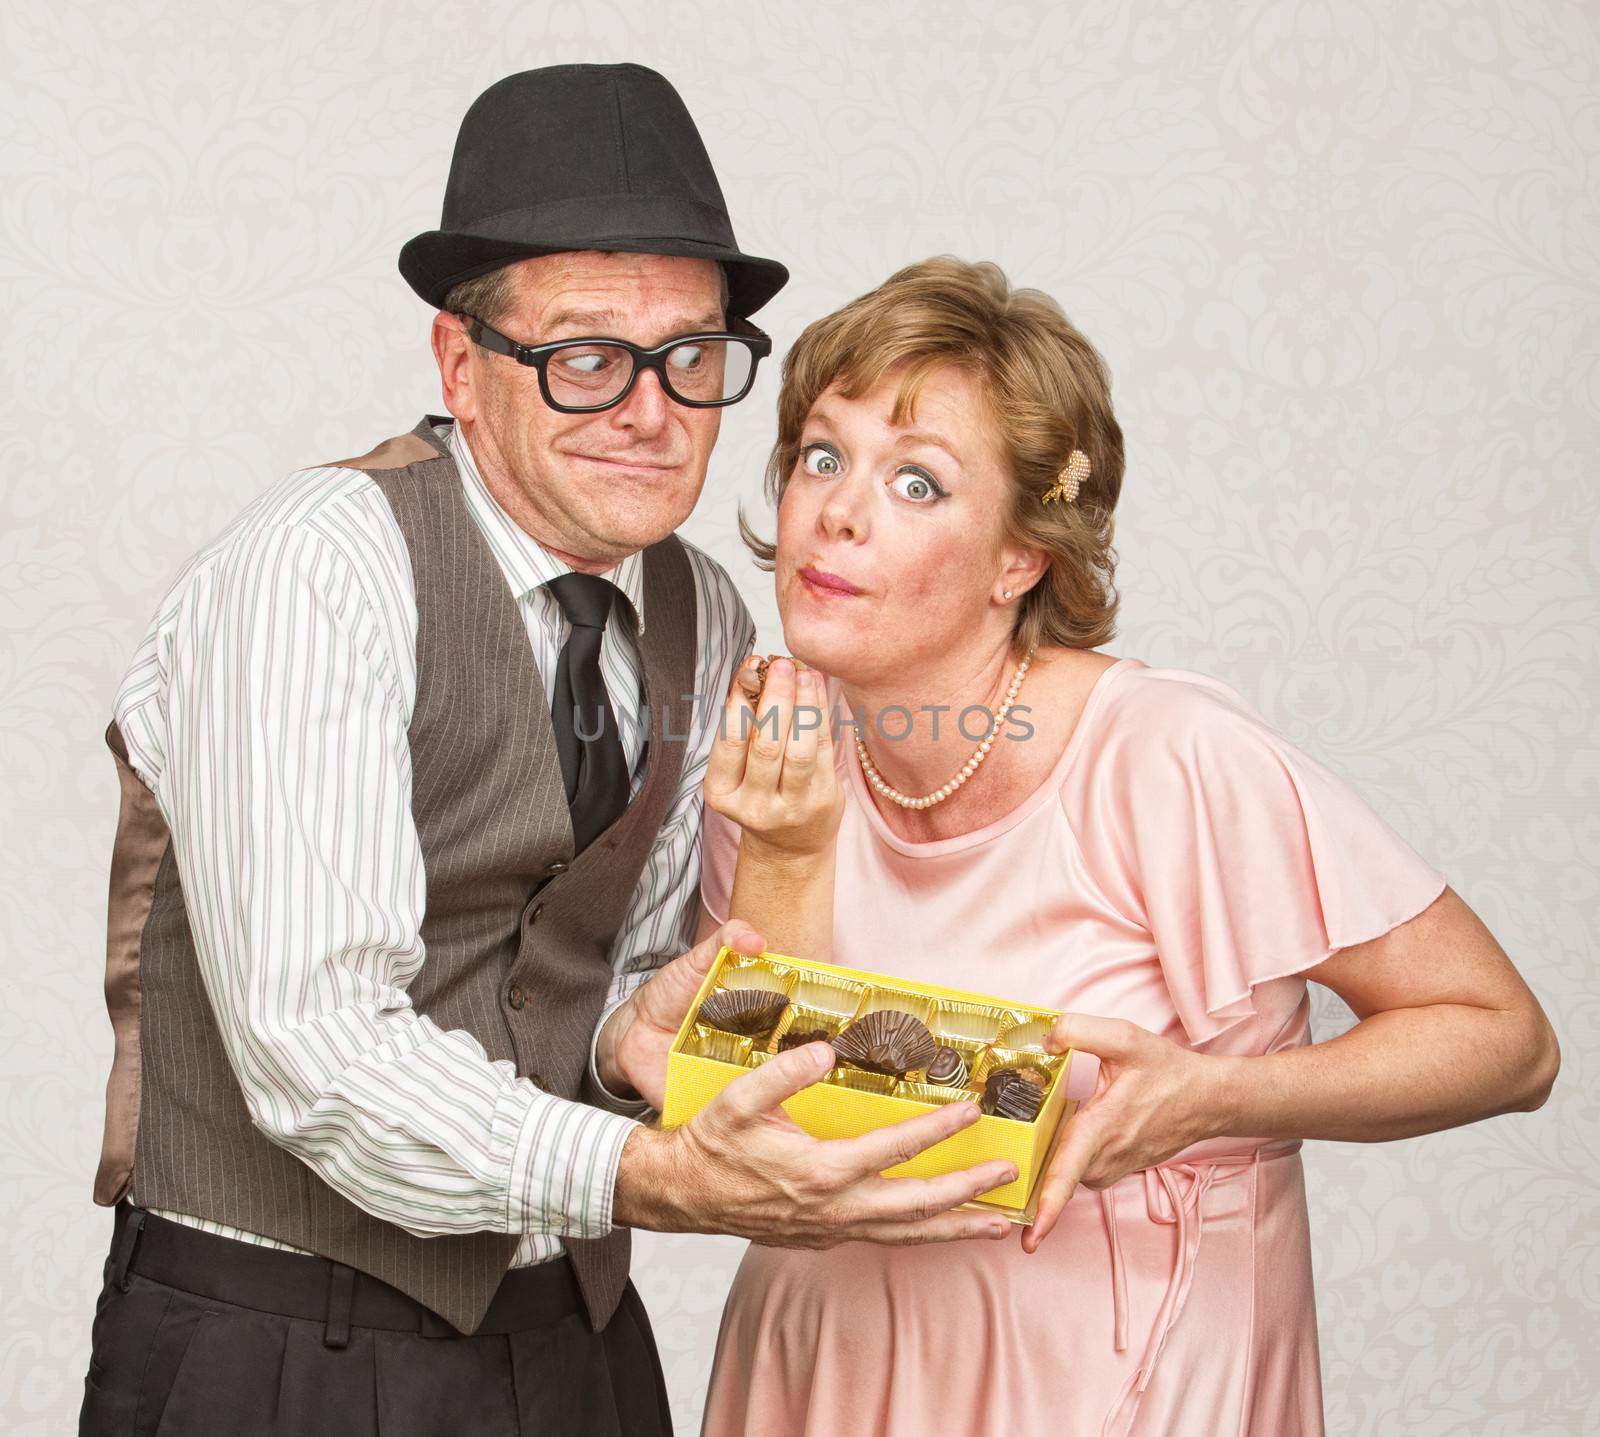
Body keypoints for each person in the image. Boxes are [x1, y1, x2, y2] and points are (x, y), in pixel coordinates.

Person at [78, 70, 1017, 1437]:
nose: (650, 409)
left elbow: (608, 972)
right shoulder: (317, 568)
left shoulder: (705, 608)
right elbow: (316, 1047)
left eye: (693, 355)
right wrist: (648, 1172)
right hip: (280, 1351)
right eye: (585, 356)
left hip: (571, 1344)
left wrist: (642, 1037)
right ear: (462, 367)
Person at [694, 256, 1560, 1436]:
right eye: (822, 455)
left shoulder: (1170, 757)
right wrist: (785, 855)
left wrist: (1215, 1098)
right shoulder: (773, 755)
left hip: (1119, 1371)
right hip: (826, 1363)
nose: (837, 510)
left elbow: (1506, 1044)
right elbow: (761, 1154)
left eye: (916, 483)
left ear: (1021, 557)